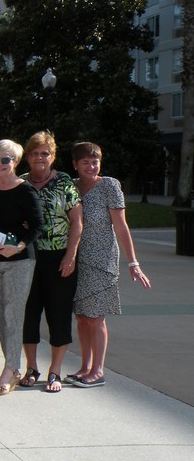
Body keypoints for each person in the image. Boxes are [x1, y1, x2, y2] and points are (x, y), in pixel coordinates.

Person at [69, 142, 152, 388]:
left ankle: (98, 371)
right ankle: (85, 367)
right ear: (75, 164)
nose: (91, 167)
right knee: (82, 317)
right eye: (85, 162)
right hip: (77, 261)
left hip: (102, 261)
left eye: (95, 162)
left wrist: (133, 262)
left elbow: (121, 226)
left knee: (96, 318)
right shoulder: (71, 186)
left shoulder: (109, 186)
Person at [0, 140, 43, 397]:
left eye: (5, 159)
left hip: (20, 261)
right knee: (2, 318)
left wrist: (19, 246)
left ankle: (11, 369)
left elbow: (38, 225)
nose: (0, 164)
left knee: (13, 314)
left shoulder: (25, 191)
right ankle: (11, 367)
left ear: (15, 161)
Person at [20, 132, 82, 393]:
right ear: (27, 156)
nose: (39, 157)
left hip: (59, 258)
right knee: (28, 314)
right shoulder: (20, 183)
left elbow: (77, 222)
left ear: (53, 156)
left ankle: (54, 370)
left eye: (44, 153)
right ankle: (31, 367)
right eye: (35, 153)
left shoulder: (64, 182)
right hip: (27, 258)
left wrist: (71, 255)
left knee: (58, 315)